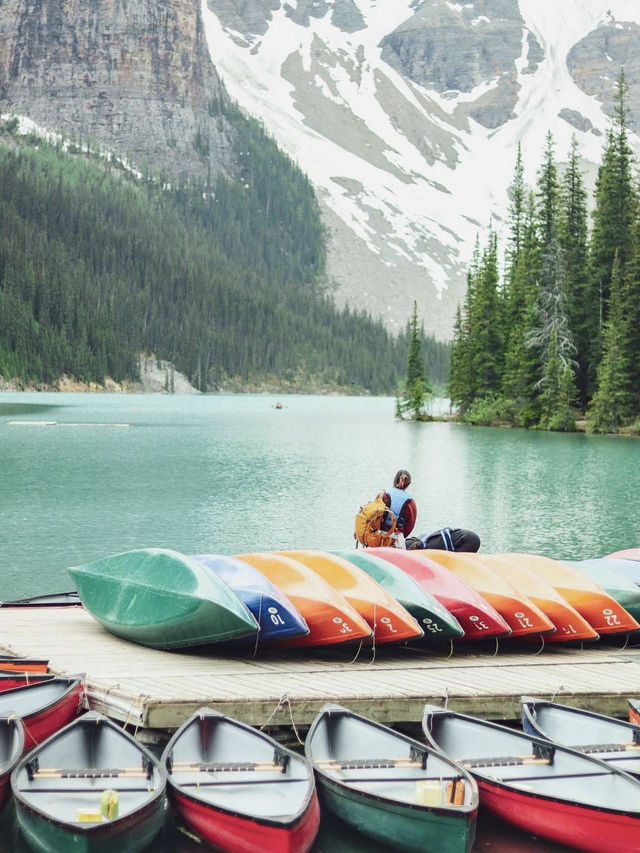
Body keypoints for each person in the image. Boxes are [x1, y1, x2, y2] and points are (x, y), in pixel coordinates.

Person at [380, 470, 417, 544]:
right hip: (397, 538)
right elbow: (410, 525)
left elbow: (375, 514)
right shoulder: (410, 502)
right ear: (408, 484)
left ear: (395, 480)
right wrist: (401, 534)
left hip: (380, 536)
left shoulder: (384, 495)